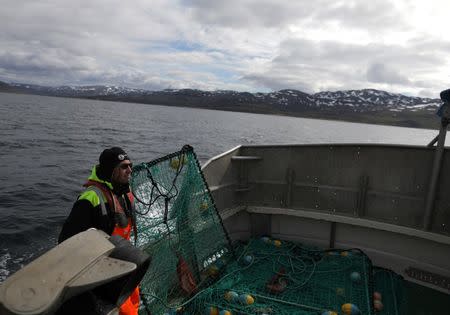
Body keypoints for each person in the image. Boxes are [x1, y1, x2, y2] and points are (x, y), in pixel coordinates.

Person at [58, 147, 140, 315]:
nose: (130, 170)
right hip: (105, 273)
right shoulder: (90, 198)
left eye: (130, 165)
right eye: (124, 166)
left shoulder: (124, 193)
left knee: (134, 301)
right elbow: (66, 241)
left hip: (125, 264)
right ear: (111, 170)